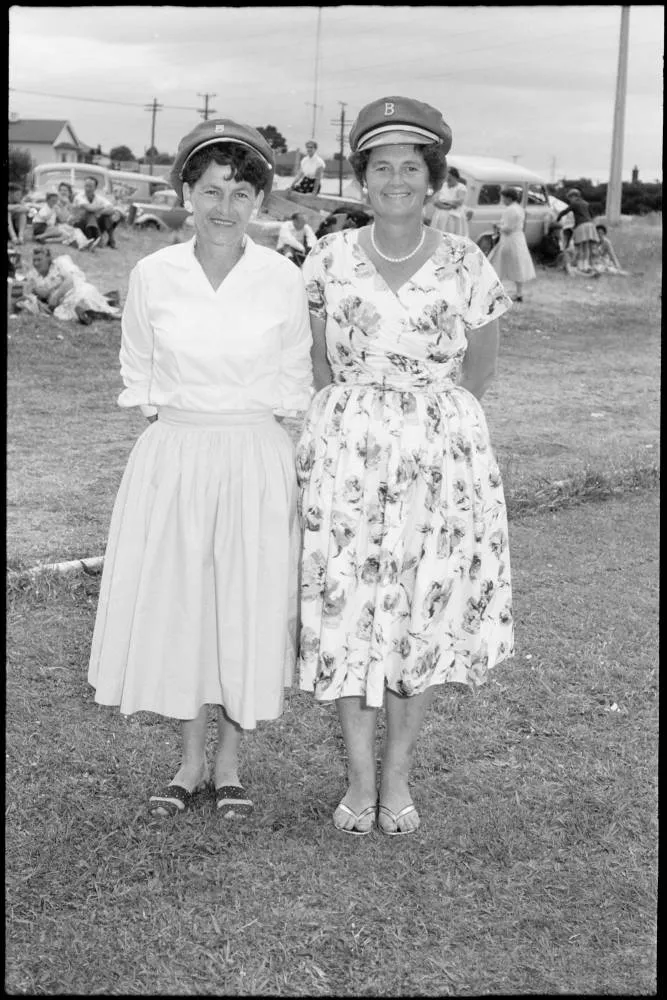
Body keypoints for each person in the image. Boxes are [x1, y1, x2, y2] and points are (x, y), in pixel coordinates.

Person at [296, 96, 514, 837]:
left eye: (410, 167)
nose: (395, 179)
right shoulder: (325, 257)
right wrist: (361, 425)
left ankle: (398, 776)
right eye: (381, 166)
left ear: (433, 179)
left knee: (417, 614)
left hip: (436, 460)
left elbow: (477, 368)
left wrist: (421, 430)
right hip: (348, 458)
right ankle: (359, 778)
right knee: (353, 611)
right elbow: (317, 360)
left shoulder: (466, 260)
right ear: (363, 178)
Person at [87, 118, 313, 819]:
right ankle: (188, 763)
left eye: (241, 192)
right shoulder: (154, 273)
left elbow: (294, 376)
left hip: (255, 453)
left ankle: (231, 765)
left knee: (244, 600)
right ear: (185, 191)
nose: (224, 206)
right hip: (177, 454)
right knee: (186, 600)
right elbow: (139, 369)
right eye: (211, 189)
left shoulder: (281, 277)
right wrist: (182, 436)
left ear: (259, 203)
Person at [14, 245, 121, 323]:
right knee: (61, 313)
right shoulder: (33, 275)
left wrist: (56, 295)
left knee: (81, 297)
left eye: (39, 260)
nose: (36, 263)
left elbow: (70, 280)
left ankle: (105, 313)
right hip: (62, 302)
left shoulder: (58, 265)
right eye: (34, 260)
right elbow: (28, 290)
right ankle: (92, 314)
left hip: (75, 290)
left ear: (48, 259)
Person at [487, 187, 537, 301]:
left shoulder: (509, 210)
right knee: (517, 265)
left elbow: (507, 228)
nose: (502, 200)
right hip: (518, 238)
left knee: (499, 263)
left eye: (503, 198)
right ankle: (519, 293)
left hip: (509, 240)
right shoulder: (519, 209)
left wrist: (496, 225)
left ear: (509, 198)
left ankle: (496, 291)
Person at [554, 188, 599, 271]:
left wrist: (558, 218)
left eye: (570, 198)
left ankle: (581, 266)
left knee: (580, 247)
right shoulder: (586, 203)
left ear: (574, 196)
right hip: (590, 225)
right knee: (586, 247)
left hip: (581, 226)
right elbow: (592, 215)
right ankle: (586, 266)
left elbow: (565, 211)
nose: (570, 201)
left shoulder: (574, 204)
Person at [72, 176, 121, 249]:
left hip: (94, 225)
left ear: (95, 188)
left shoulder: (98, 198)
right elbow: (89, 208)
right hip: (79, 224)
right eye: (86, 186)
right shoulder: (79, 197)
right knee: (90, 214)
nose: (87, 189)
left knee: (108, 216)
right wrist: (100, 208)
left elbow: (111, 209)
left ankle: (111, 240)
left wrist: (99, 212)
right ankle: (98, 238)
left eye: (90, 186)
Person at [429, 165, 469, 236]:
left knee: (452, 235)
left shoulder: (460, 187)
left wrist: (445, 202)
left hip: (454, 217)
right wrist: (445, 206)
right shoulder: (443, 186)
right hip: (440, 214)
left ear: (455, 177)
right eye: (447, 178)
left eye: (450, 177)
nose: (448, 179)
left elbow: (459, 202)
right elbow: (435, 201)